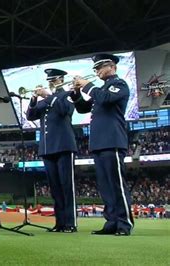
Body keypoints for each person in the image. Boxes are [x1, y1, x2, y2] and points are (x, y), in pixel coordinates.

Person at [71, 53, 134, 236]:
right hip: (98, 142)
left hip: (112, 140)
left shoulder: (119, 84)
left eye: (99, 67)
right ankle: (111, 222)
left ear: (111, 66)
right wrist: (76, 93)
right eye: (95, 68)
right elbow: (84, 107)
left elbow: (106, 98)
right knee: (105, 186)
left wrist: (87, 85)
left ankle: (124, 223)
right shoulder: (101, 89)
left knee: (116, 184)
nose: (97, 71)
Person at [26, 68, 78, 233]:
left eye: (54, 80)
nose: (51, 82)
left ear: (61, 80)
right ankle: (60, 222)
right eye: (50, 80)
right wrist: (34, 99)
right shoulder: (46, 98)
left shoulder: (67, 94)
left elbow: (65, 111)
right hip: (48, 147)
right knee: (55, 187)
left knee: (66, 185)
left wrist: (47, 95)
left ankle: (71, 222)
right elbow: (30, 115)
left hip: (64, 145)